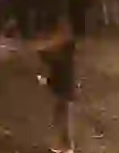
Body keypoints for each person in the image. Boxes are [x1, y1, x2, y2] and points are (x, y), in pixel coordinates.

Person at [37, 20, 76, 153]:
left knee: (63, 119)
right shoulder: (65, 51)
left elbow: (55, 65)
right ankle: (64, 146)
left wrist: (46, 81)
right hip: (63, 89)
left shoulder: (63, 54)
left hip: (63, 90)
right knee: (60, 118)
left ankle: (67, 147)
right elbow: (51, 58)